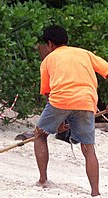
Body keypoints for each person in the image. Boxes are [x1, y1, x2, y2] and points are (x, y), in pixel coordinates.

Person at [34, 24, 108, 197]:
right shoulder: (85, 54)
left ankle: (43, 180)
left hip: (60, 100)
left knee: (40, 134)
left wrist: (58, 122)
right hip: (87, 101)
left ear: (50, 44)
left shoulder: (48, 61)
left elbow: (48, 94)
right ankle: (95, 192)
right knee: (88, 148)